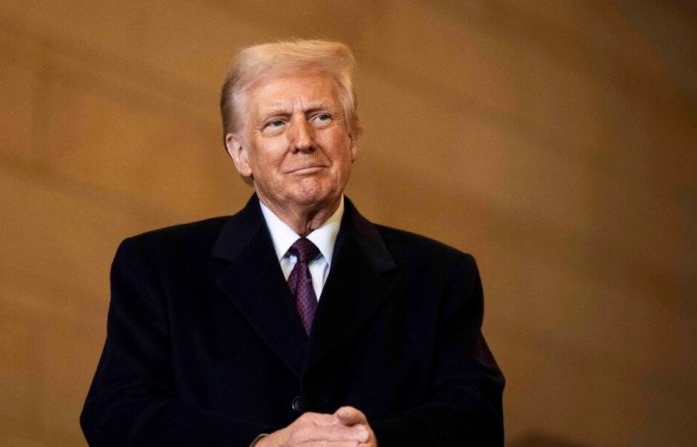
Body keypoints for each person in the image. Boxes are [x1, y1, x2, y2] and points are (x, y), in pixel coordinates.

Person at [80, 39, 504, 446]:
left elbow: (477, 417)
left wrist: (374, 441)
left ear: (352, 139)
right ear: (241, 153)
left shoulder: (439, 276)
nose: (303, 141)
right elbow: (117, 412)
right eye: (277, 123)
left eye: (321, 117)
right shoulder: (160, 266)